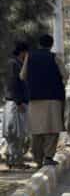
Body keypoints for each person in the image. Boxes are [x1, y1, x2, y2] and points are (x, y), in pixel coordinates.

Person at [20, 34, 65, 168]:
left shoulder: (30, 56)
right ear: (51, 45)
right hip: (53, 98)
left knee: (37, 130)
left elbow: (22, 75)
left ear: (39, 44)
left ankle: (38, 159)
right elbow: (65, 74)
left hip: (35, 99)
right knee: (52, 129)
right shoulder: (55, 57)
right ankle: (49, 157)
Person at [4, 42, 30, 170]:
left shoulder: (16, 63)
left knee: (17, 133)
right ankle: (15, 160)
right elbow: (14, 84)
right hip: (16, 103)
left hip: (17, 102)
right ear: (23, 52)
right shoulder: (14, 64)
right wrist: (19, 102)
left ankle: (14, 159)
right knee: (16, 133)